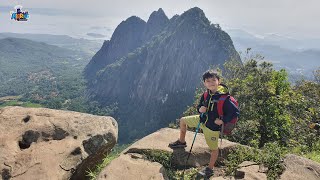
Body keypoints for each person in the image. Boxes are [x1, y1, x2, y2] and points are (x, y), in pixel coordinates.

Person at [168, 70, 240, 178]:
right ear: (204, 83)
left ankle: (210, 169)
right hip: (202, 120)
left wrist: (223, 120)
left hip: (212, 127)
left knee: (214, 149)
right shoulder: (206, 94)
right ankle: (181, 142)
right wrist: (200, 109)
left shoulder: (225, 98)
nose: (211, 82)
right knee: (183, 120)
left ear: (219, 81)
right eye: (208, 81)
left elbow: (235, 112)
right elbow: (200, 106)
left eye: (213, 80)